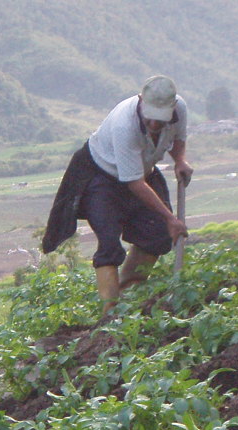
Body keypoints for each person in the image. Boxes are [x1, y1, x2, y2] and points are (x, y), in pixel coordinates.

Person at [42, 74, 193, 311]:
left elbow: (177, 138)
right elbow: (134, 183)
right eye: (151, 118)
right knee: (109, 242)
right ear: (141, 100)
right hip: (101, 176)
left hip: (142, 171)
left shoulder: (179, 109)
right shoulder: (125, 124)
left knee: (158, 234)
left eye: (160, 120)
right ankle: (109, 314)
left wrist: (180, 160)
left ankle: (129, 296)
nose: (154, 125)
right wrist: (171, 219)